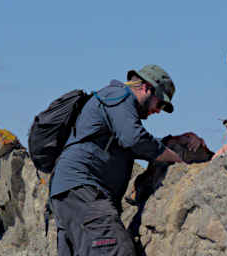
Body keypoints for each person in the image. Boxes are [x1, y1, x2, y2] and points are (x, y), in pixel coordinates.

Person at [49, 64, 206, 256]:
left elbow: (129, 144)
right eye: (160, 104)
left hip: (70, 194)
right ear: (147, 88)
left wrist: (174, 141)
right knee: (116, 250)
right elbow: (135, 139)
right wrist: (176, 158)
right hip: (84, 190)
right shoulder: (119, 96)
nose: (158, 111)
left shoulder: (115, 105)